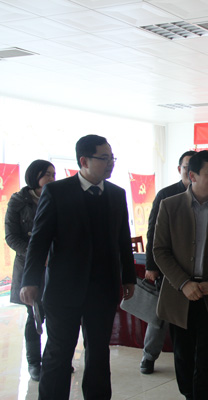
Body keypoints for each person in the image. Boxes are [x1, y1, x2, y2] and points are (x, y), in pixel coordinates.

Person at [20, 135, 136, 400]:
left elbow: (122, 239)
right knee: (59, 353)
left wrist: (128, 277)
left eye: (112, 158)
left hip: (103, 290)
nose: (110, 163)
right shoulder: (57, 192)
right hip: (64, 290)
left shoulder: (116, 194)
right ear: (84, 161)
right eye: (104, 158)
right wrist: (31, 280)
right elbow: (39, 241)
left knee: (99, 353)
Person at [153, 150, 208, 400]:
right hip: (179, 295)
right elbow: (160, 250)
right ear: (192, 176)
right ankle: (188, 395)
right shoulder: (169, 206)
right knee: (183, 355)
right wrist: (183, 283)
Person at [140, 150, 196, 374]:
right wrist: (151, 266)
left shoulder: (205, 195)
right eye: (186, 167)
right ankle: (149, 356)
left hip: (193, 269)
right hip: (167, 266)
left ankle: (191, 361)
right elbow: (152, 232)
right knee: (160, 316)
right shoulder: (166, 194)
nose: (190, 171)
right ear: (180, 169)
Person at [5, 160, 55, 381]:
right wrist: (37, 255)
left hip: (54, 265)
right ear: (35, 176)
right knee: (34, 315)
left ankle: (55, 358)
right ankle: (35, 363)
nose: (52, 178)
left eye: (53, 174)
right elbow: (11, 237)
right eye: (47, 174)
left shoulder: (56, 197)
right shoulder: (18, 201)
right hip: (29, 266)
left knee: (55, 314)